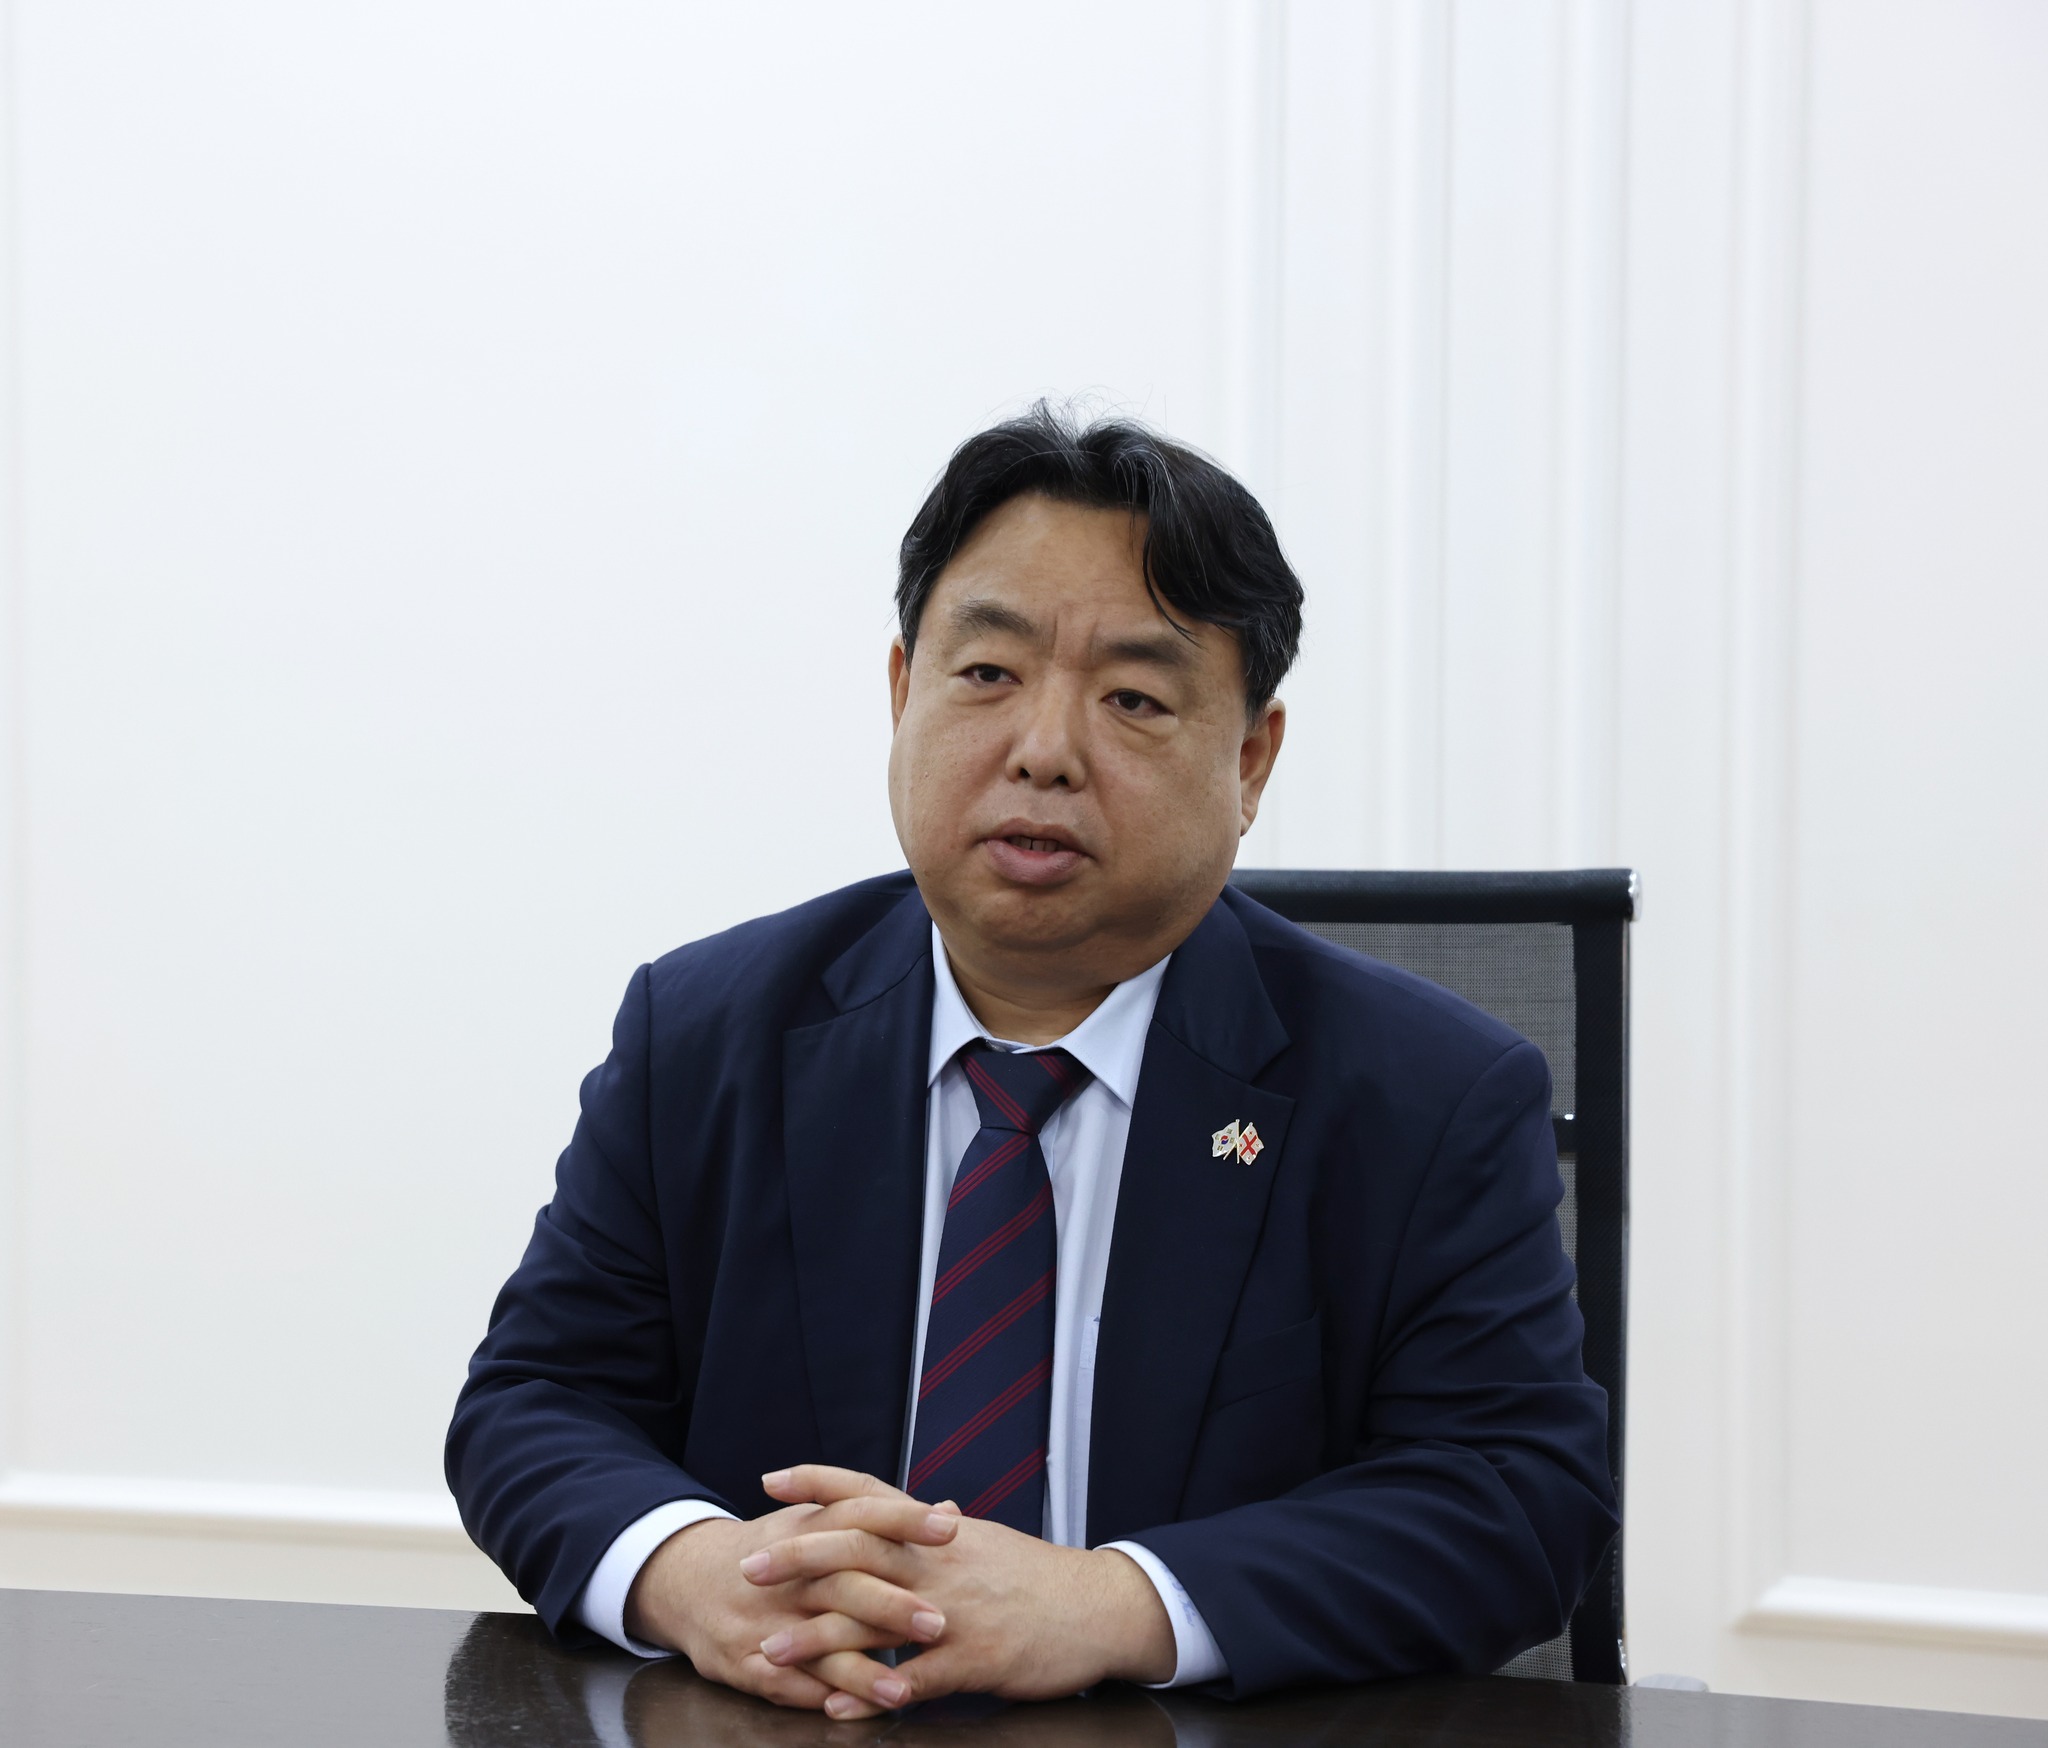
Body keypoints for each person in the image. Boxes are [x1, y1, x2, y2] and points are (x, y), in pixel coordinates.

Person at [446, 405, 1617, 1718]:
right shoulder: (707, 1031)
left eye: (1133, 699)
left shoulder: (1427, 1096)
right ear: (904, 693)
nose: (1044, 751)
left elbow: (1516, 1498)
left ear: (1250, 759)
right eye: (989, 674)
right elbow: (538, 1401)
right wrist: (697, 1573)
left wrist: (1109, 1604)